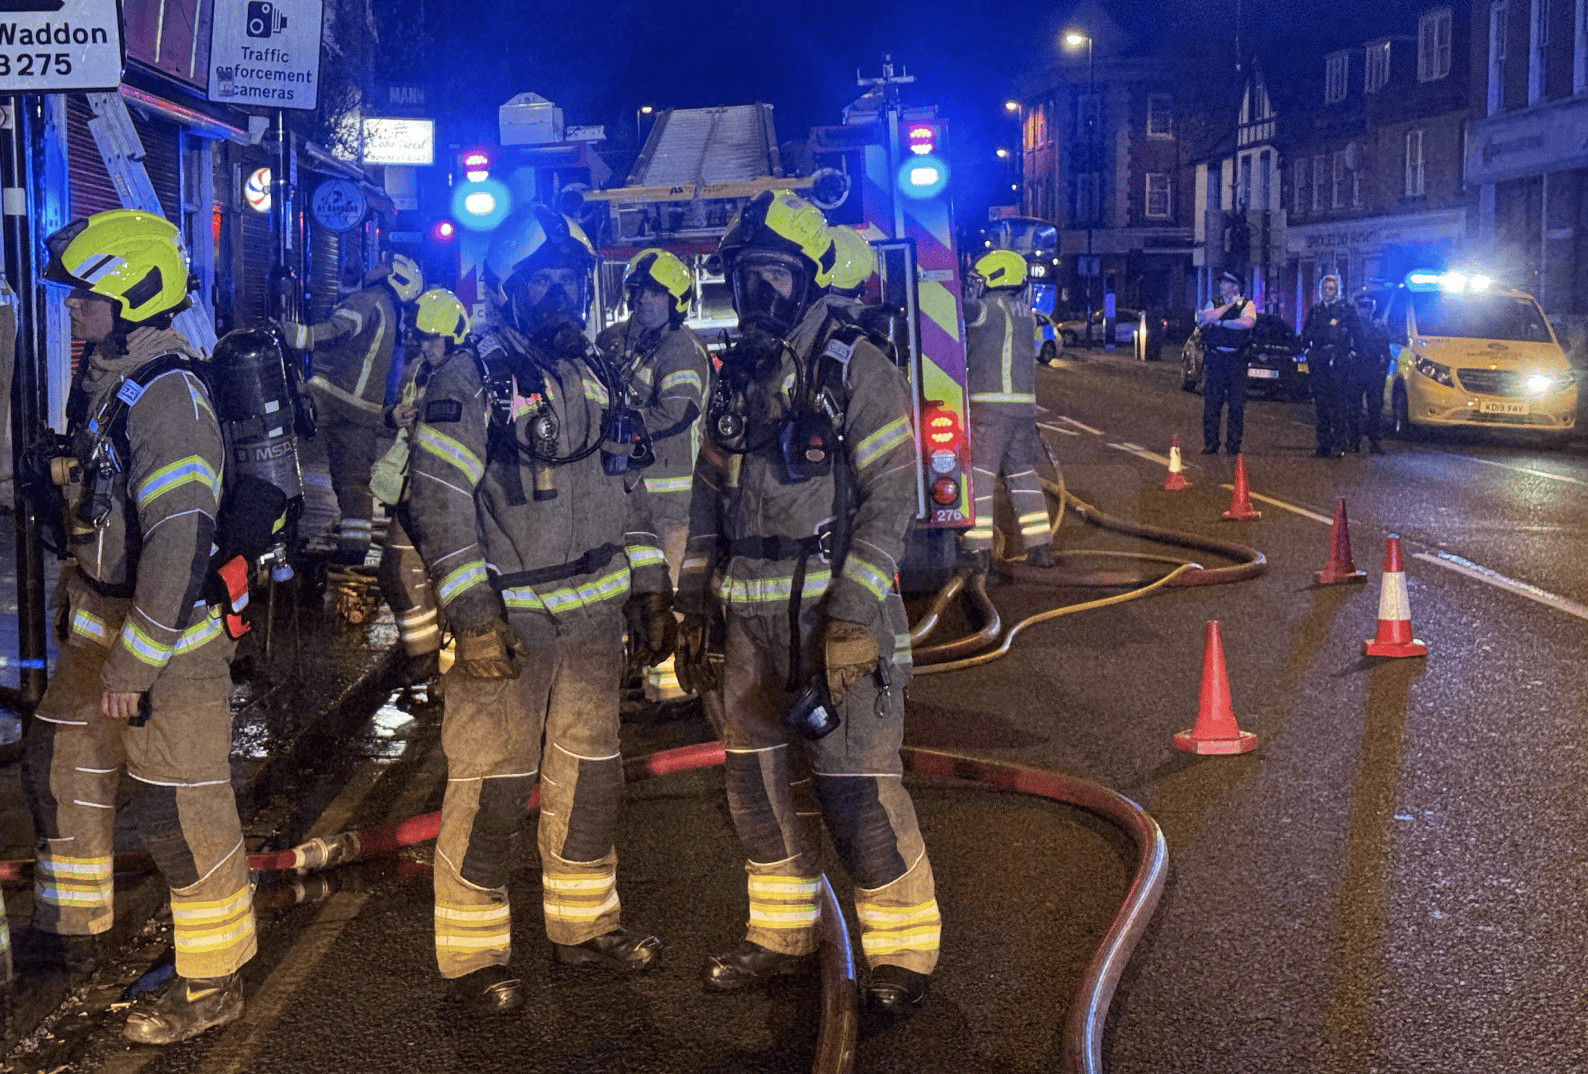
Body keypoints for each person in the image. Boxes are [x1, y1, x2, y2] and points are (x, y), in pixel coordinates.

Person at [676, 190, 941, 1014]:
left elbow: (892, 498)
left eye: (774, 276)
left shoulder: (858, 366)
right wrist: (689, 604)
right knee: (754, 790)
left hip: (832, 620)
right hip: (747, 626)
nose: (758, 294)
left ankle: (902, 958)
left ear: (808, 278)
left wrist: (857, 617)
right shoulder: (736, 377)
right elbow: (706, 496)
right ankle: (780, 938)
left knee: (854, 785)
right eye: (745, 276)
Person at [406, 206, 673, 1016]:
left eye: (570, 280)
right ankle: (473, 956)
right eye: (542, 282)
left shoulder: (594, 374)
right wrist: (473, 617)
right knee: (493, 787)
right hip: (510, 631)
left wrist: (653, 585)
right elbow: (438, 502)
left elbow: (630, 487)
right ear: (507, 291)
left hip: (594, 623)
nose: (560, 296)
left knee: (591, 781)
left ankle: (584, 929)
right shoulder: (471, 379)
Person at [25, 210, 255, 1043]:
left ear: (129, 296)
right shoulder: (110, 375)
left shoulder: (172, 400)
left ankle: (212, 983)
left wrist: (134, 668)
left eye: (85, 297)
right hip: (101, 629)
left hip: (168, 653)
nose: (73, 310)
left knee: (179, 815)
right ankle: (73, 942)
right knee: (60, 772)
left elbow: (180, 540)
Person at [596, 248, 709, 703]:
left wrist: (617, 427)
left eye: (657, 293)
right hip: (620, 492)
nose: (645, 300)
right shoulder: (611, 342)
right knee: (628, 586)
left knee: (669, 589)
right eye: (639, 291)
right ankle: (634, 668)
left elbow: (679, 411)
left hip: (669, 499)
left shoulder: (681, 347)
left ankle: (671, 688)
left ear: (676, 301)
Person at [280, 254, 422, 562]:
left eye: (383, 264)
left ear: (391, 277)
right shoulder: (391, 312)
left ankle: (281, 536)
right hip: (363, 411)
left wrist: (293, 335)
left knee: (278, 451)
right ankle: (354, 551)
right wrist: (384, 415)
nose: (375, 265)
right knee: (355, 482)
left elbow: (339, 329)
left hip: (329, 395)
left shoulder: (369, 300)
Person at [371, 288, 467, 686]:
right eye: (421, 337)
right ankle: (423, 654)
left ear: (454, 335)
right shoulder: (418, 370)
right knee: (396, 572)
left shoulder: (465, 375)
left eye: (433, 338)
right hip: (411, 490)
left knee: (454, 584)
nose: (426, 346)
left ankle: (453, 671)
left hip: (447, 496)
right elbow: (398, 416)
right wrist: (394, 417)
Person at [961, 249, 1052, 569]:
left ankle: (978, 550)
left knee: (979, 478)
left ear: (997, 277)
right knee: (1023, 475)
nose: (975, 287)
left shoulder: (988, 309)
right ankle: (1040, 547)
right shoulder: (1026, 312)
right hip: (1023, 411)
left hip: (990, 408)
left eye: (979, 280)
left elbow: (956, 310)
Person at [1197, 270, 1257, 455]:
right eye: (1222, 283)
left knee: (1236, 404)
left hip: (1236, 360)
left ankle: (1233, 445)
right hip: (1216, 358)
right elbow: (1205, 320)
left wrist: (1223, 323)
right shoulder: (1214, 303)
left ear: (1235, 286)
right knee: (1212, 404)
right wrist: (1227, 306)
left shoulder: (1247, 304)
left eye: (1226, 283)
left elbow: (1247, 323)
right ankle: (1211, 443)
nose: (1222, 286)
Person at [1300, 274, 1360, 458]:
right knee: (1322, 405)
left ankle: (1338, 443)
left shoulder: (1346, 310)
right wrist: (1307, 352)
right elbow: (1306, 334)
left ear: (1337, 291)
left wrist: (1350, 354)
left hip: (1338, 362)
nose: (1327, 292)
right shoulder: (1316, 310)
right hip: (1319, 361)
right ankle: (1323, 444)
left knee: (1339, 405)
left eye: (1331, 289)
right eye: (1324, 289)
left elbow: (1357, 334)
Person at [1347, 291, 1390, 454]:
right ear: (1357, 307)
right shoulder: (1351, 326)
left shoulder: (1379, 326)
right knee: (1354, 407)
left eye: (1369, 306)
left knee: (1375, 407)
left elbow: (1385, 349)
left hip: (1374, 372)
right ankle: (1353, 440)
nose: (1366, 309)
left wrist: (1382, 366)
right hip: (1356, 370)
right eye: (1362, 306)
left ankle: (1374, 440)